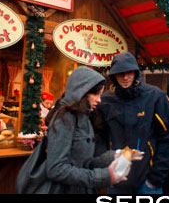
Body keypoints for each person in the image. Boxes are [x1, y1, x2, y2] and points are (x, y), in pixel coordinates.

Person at [42, 66, 138, 194]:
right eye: (95, 94)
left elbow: (86, 163)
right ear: (82, 91)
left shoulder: (84, 117)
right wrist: (104, 176)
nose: (99, 99)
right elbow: (56, 169)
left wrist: (116, 155)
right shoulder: (65, 119)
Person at [92, 52, 169, 194]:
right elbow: (98, 138)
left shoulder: (154, 96)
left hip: (148, 181)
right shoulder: (105, 101)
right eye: (120, 73)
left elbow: (168, 137)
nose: (125, 77)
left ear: (135, 72)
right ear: (113, 75)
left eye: (129, 72)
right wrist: (107, 170)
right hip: (116, 179)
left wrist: (156, 177)